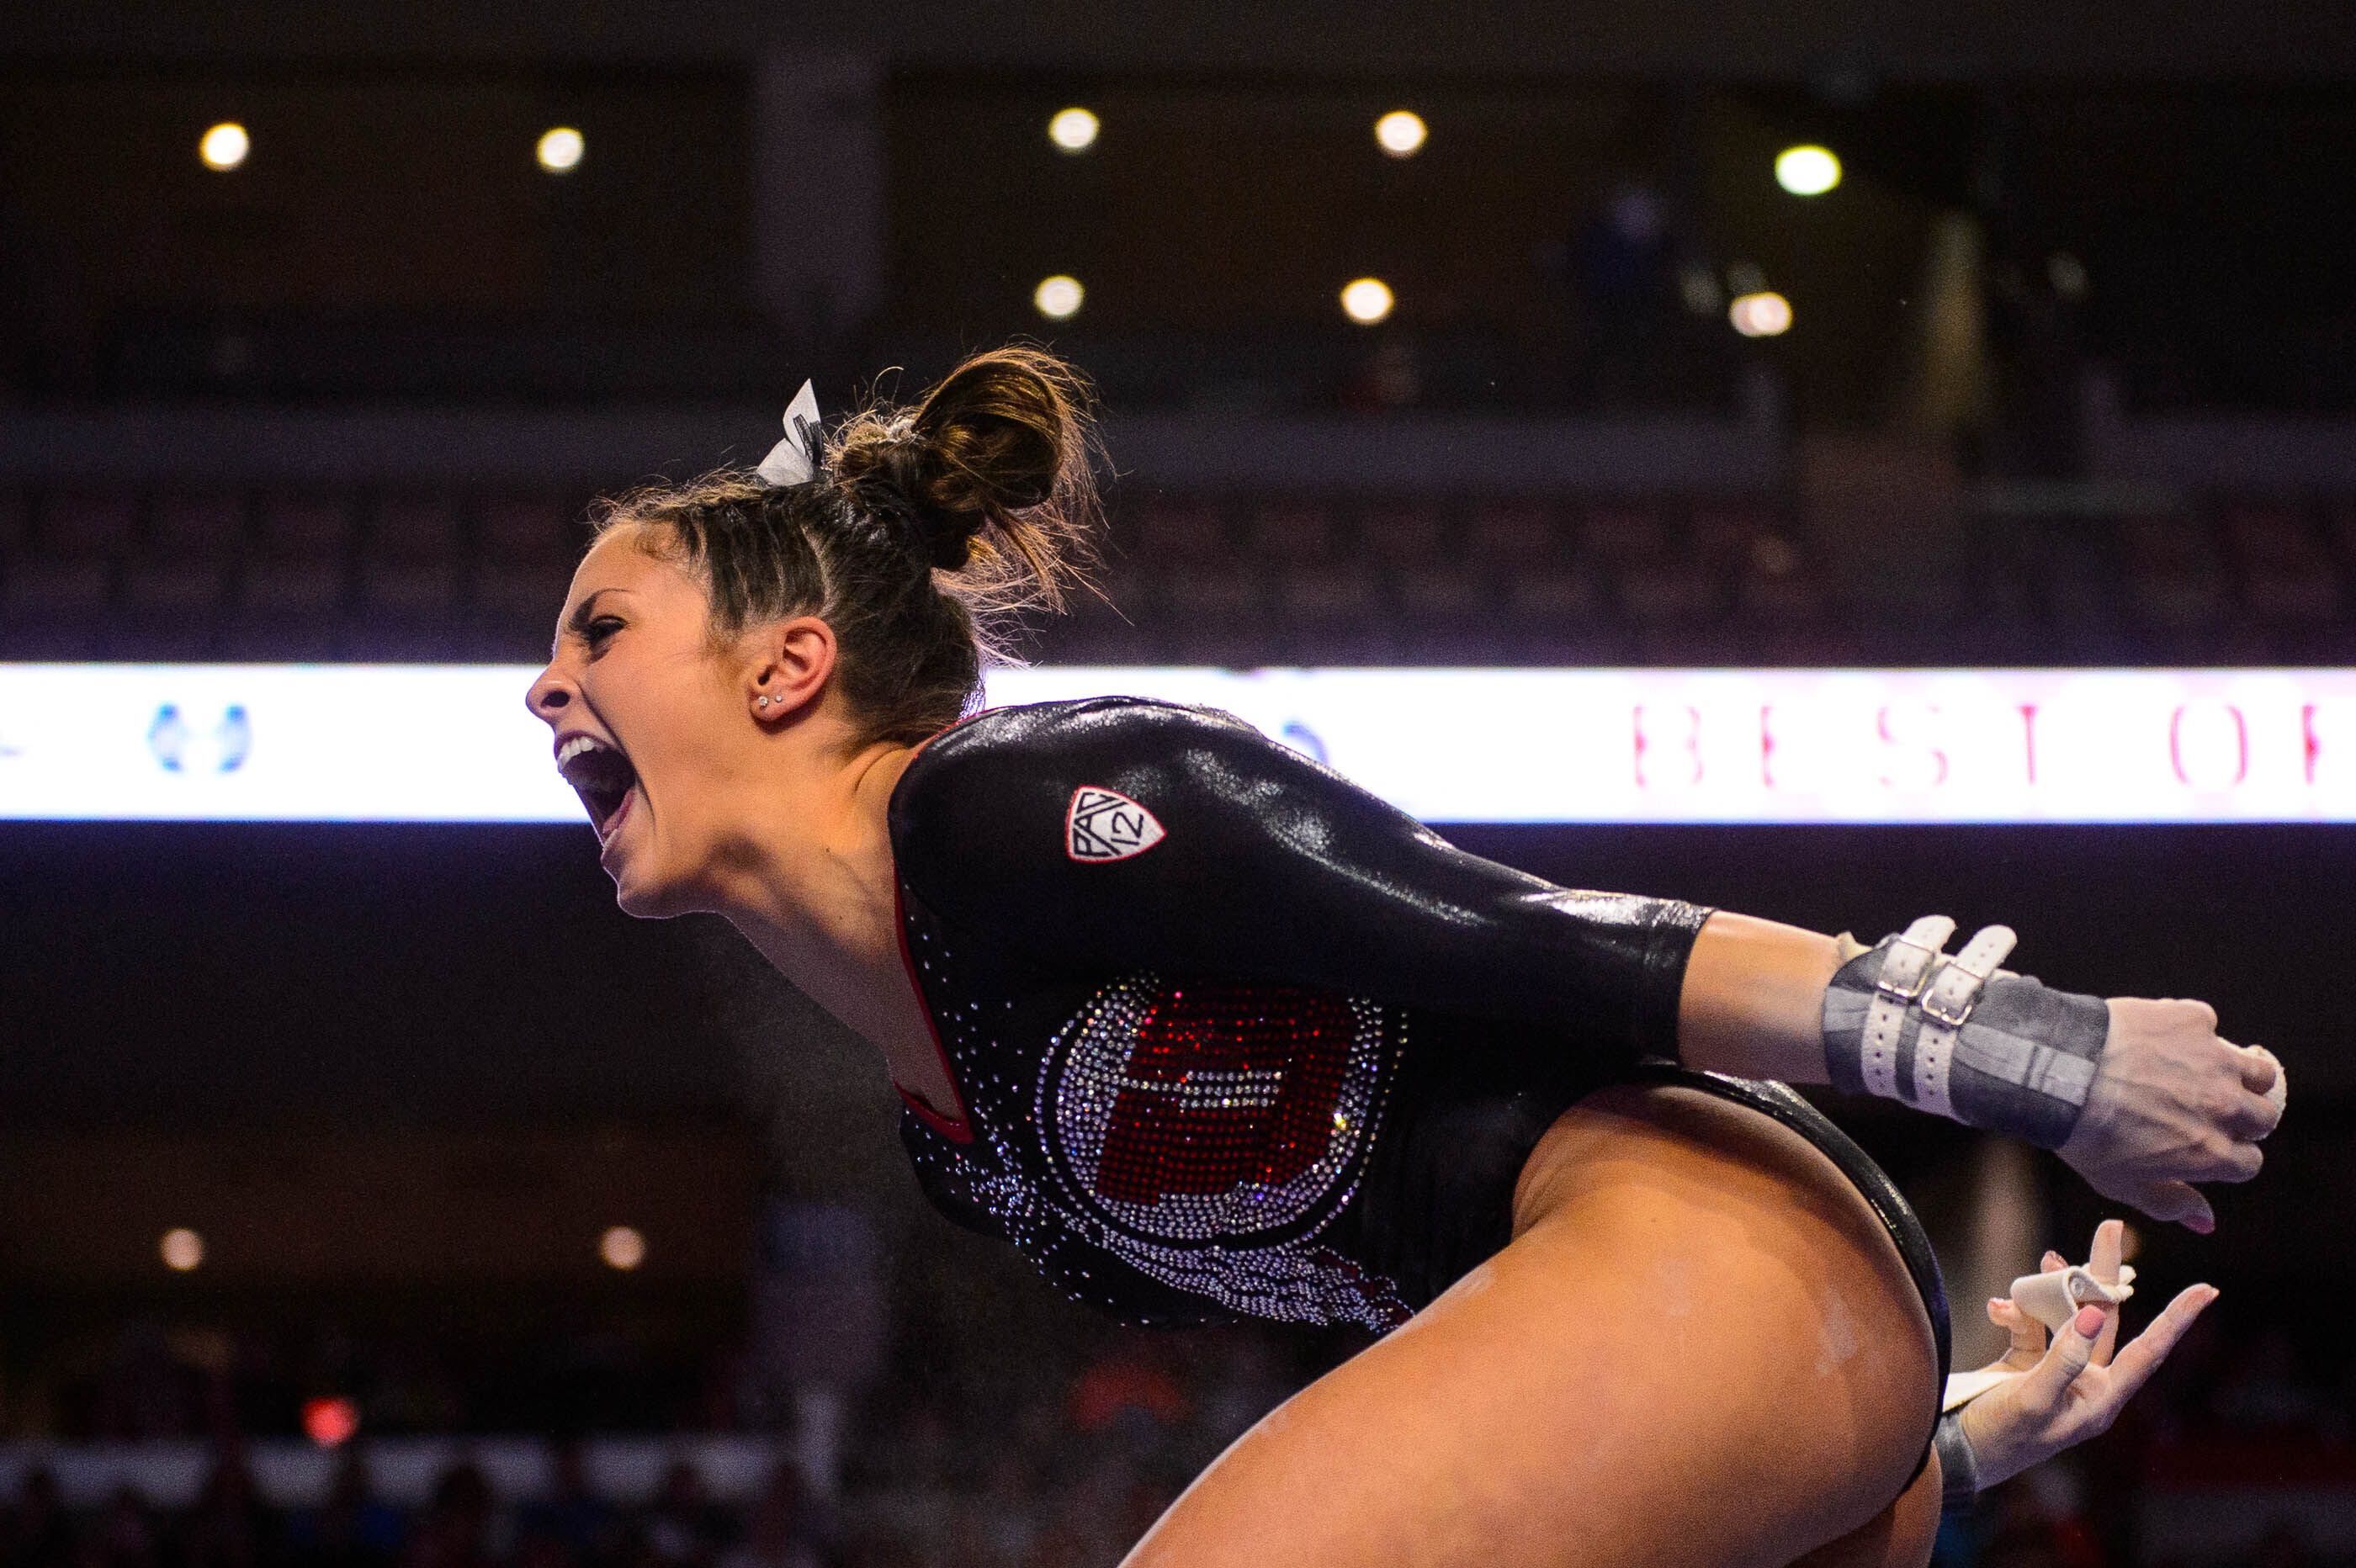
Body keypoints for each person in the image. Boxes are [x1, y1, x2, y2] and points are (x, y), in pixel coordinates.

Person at [524, 347, 2282, 1565]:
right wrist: (1912, 1435)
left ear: (785, 665)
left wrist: (2026, 1049)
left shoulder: (1014, 812)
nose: (541, 684)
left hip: (1684, 1221)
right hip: (1741, 1322)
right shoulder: (953, 1138)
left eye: (599, 627)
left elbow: (1527, 939)